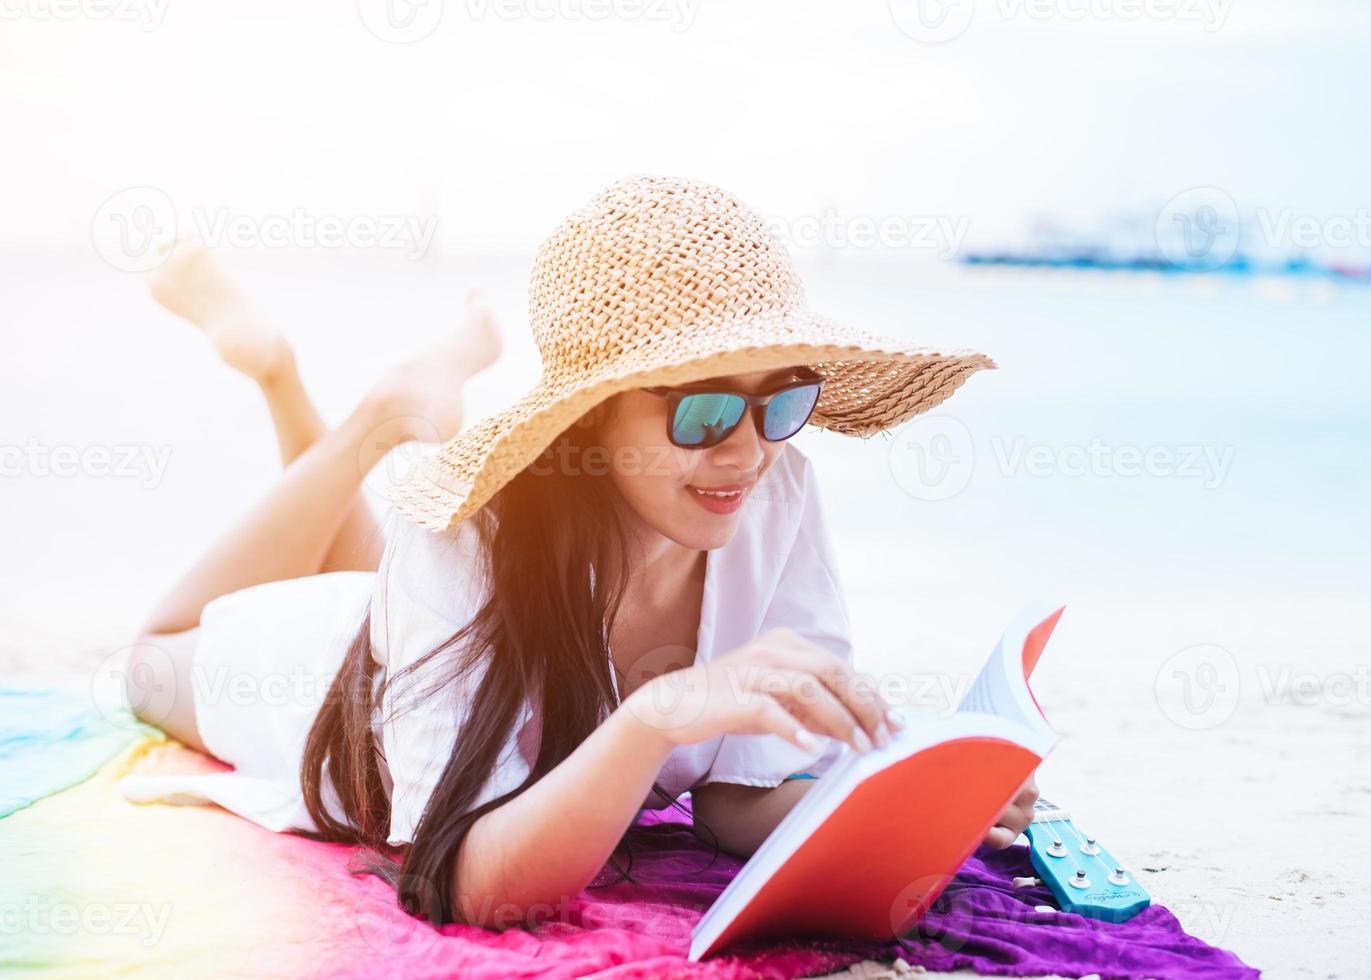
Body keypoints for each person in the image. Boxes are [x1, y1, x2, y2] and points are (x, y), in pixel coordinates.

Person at [118, 176, 1035, 929]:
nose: (749, 449)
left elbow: (734, 802)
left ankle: (377, 398)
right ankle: (359, 410)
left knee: (372, 566)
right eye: (703, 410)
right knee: (148, 664)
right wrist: (655, 715)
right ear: (595, 412)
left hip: (413, 631)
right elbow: (468, 881)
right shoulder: (470, 535)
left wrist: (922, 809)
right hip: (312, 681)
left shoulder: (774, 488)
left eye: (781, 400)